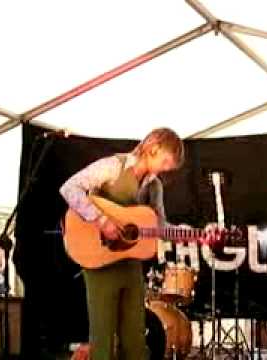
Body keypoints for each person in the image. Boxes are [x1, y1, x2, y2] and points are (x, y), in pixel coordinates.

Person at [59, 128, 184, 360]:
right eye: (166, 160)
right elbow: (69, 188)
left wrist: (193, 234)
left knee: (136, 340)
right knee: (103, 340)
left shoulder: (154, 186)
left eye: (171, 165)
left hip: (131, 265)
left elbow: (160, 226)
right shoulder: (113, 167)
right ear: (153, 147)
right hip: (99, 261)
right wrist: (101, 219)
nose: (167, 168)